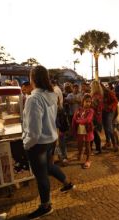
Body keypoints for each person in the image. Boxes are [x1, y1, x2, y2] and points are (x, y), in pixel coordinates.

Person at [23, 66, 74, 219]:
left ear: (33, 79)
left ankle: (46, 206)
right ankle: (67, 183)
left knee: (41, 175)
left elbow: (34, 130)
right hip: (51, 139)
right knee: (49, 166)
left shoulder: (33, 99)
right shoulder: (51, 94)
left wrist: (26, 144)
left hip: (38, 143)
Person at [72, 94, 94, 169]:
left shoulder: (91, 110)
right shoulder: (78, 110)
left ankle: (88, 159)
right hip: (79, 130)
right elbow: (74, 120)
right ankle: (80, 154)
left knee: (88, 145)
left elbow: (88, 120)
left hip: (87, 130)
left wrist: (79, 121)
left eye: (90, 102)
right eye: (86, 101)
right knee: (79, 144)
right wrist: (73, 130)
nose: (88, 103)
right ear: (83, 101)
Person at [102, 85, 118, 152]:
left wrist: (110, 107)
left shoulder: (109, 92)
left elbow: (115, 101)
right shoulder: (98, 93)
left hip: (110, 111)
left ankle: (114, 144)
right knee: (105, 127)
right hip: (103, 111)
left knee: (109, 127)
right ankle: (108, 142)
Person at [90, 80, 104, 154]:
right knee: (92, 133)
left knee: (94, 133)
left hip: (95, 117)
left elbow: (95, 107)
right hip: (96, 116)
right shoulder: (98, 95)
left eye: (91, 86)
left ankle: (98, 149)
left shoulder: (96, 96)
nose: (90, 87)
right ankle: (90, 148)